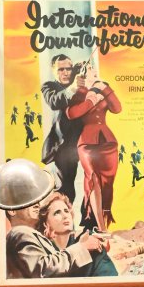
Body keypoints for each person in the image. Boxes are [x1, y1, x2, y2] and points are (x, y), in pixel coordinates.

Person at [67, 75, 122, 232]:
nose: (94, 73)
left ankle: (101, 222)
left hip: (108, 143)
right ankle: (102, 227)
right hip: (87, 143)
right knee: (93, 179)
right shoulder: (78, 93)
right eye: (90, 71)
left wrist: (103, 87)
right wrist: (91, 98)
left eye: (95, 72)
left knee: (107, 184)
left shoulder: (104, 89)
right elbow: (72, 113)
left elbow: (117, 108)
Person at [5, 200, 105, 279]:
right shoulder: (21, 232)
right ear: (12, 210)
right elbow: (42, 269)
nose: (37, 204)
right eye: (28, 199)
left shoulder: (32, 236)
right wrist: (82, 247)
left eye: (67, 211)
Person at [37, 190, 117, 277]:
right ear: (46, 223)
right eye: (57, 213)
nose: (65, 216)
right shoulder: (42, 250)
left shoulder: (91, 242)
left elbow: (109, 277)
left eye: (66, 211)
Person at [41, 53, 85, 203]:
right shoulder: (49, 86)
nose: (66, 73)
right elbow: (54, 102)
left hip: (85, 142)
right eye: (61, 69)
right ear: (54, 70)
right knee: (66, 189)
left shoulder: (78, 81)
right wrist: (73, 88)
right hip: (64, 147)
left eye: (69, 69)